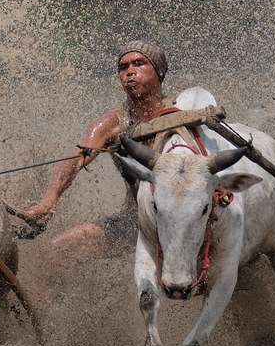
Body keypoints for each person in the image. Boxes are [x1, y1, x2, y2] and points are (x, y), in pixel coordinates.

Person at [26, 41, 172, 264]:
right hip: (136, 221)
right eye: (123, 68)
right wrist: (49, 201)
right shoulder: (111, 125)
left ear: (159, 71)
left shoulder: (183, 112)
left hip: (183, 216)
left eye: (139, 64)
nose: (130, 72)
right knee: (52, 252)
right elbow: (76, 160)